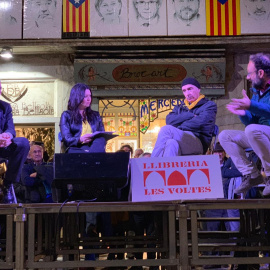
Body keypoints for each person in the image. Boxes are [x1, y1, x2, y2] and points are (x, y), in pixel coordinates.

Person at [219, 53, 270, 196]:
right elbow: (253, 123)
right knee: (225, 136)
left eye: (250, 74)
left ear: (260, 73)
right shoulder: (257, 93)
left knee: (252, 129)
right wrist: (243, 113)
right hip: (261, 134)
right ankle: (252, 175)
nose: (248, 77)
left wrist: (250, 105)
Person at [151, 77, 217, 157]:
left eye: (190, 89)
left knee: (166, 129)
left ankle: (153, 163)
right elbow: (169, 120)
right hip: (182, 140)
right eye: (184, 90)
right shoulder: (180, 107)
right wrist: (190, 115)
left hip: (199, 141)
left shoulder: (209, 105)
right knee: (171, 143)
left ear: (198, 89)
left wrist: (178, 126)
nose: (187, 93)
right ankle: (168, 169)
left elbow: (200, 123)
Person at [0, 81, 29, 203]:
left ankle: (8, 184)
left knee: (23, 143)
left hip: (3, 145)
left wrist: (7, 136)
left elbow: (10, 128)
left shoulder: (5, 107)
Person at [60, 83, 106, 153]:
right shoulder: (66, 115)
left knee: (101, 139)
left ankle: (91, 154)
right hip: (77, 149)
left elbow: (102, 134)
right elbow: (66, 139)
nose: (89, 99)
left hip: (93, 147)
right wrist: (80, 139)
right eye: (85, 96)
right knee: (78, 150)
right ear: (76, 97)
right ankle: (90, 154)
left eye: (90, 96)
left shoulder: (95, 115)